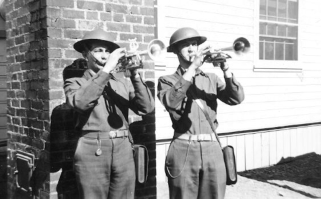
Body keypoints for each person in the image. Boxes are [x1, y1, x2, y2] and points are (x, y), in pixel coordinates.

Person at [64, 29, 155, 199]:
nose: (105, 56)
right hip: (93, 149)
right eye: (99, 50)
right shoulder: (75, 82)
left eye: (108, 51)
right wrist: (106, 70)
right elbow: (81, 103)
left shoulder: (121, 82)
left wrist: (135, 75)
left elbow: (146, 108)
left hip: (123, 148)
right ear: (85, 55)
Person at [157, 27, 245, 199]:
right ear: (175, 50)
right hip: (183, 148)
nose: (191, 49)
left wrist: (226, 69)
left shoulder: (211, 78)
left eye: (194, 44)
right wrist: (193, 67)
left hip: (212, 149)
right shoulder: (167, 80)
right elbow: (171, 101)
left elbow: (236, 98)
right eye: (185, 45)